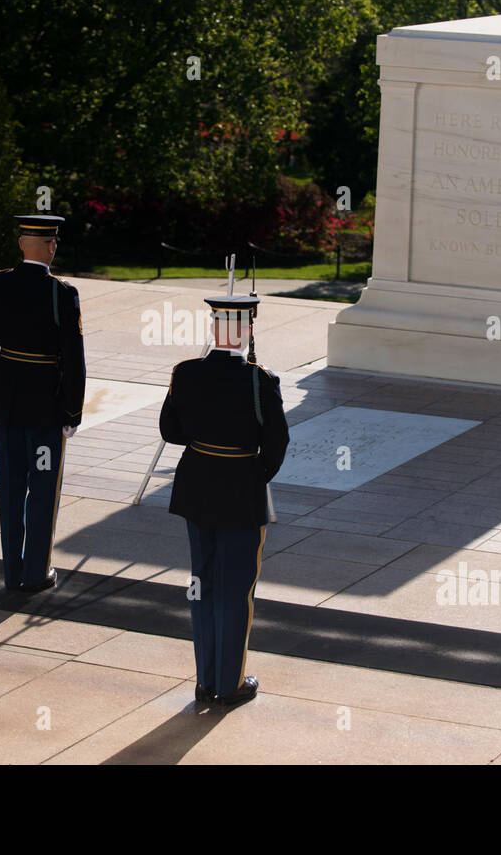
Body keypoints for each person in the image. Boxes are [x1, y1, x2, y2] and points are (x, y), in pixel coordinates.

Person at [159, 294, 289, 707]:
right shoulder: (259, 380)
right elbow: (277, 443)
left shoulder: (185, 372)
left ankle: (205, 678)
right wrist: (250, 474)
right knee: (235, 590)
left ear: (214, 329)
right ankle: (228, 684)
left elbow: (171, 431)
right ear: (248, 330)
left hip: (196, 487)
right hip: (239, 492)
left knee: (203, 583)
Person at [0, 215, 86, 593]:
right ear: (51, 246)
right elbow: (74, 358)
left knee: (10, 487)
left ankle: (10, 573)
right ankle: (35, 573)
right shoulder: (61, 293)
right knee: (42, 490)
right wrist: (72, 412)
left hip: (5, 404)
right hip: (45, 409)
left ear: (21, 244)